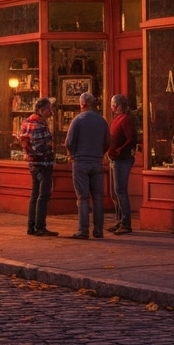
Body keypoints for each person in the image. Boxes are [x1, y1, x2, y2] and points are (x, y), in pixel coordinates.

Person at [65, 92, 111, 239]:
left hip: (81, 161)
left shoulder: (78, 120)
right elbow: (108, 142)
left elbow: (69, 142)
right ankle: (98, 230)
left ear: (82, 104)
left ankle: (83, 230)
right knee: (98, 198)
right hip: (96, 161)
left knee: (83, 198)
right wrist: (99, 153)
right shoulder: (102, 121)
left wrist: (72, 154)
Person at [19, 97, 59, 237]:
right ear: (41, 110)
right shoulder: (40, 125)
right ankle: (40, 226)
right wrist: (50, 151)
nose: (51, 111)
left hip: (32, 163)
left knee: (35, 194)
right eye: (49, 109)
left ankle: (31, 226)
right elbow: (41, 147)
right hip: (43, 163)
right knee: (43, 195)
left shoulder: (26, 123)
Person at [107, 94, 138, 235]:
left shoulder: (126, 119)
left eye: (113, 105)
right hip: (115, 158)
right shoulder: (118, 119)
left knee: (120, 191)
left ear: (118, 106)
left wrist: (120, 149)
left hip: (122, 159)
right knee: (115, 192)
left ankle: (125, 222)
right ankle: (119, 220)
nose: (111, 108)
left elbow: (131, 139)